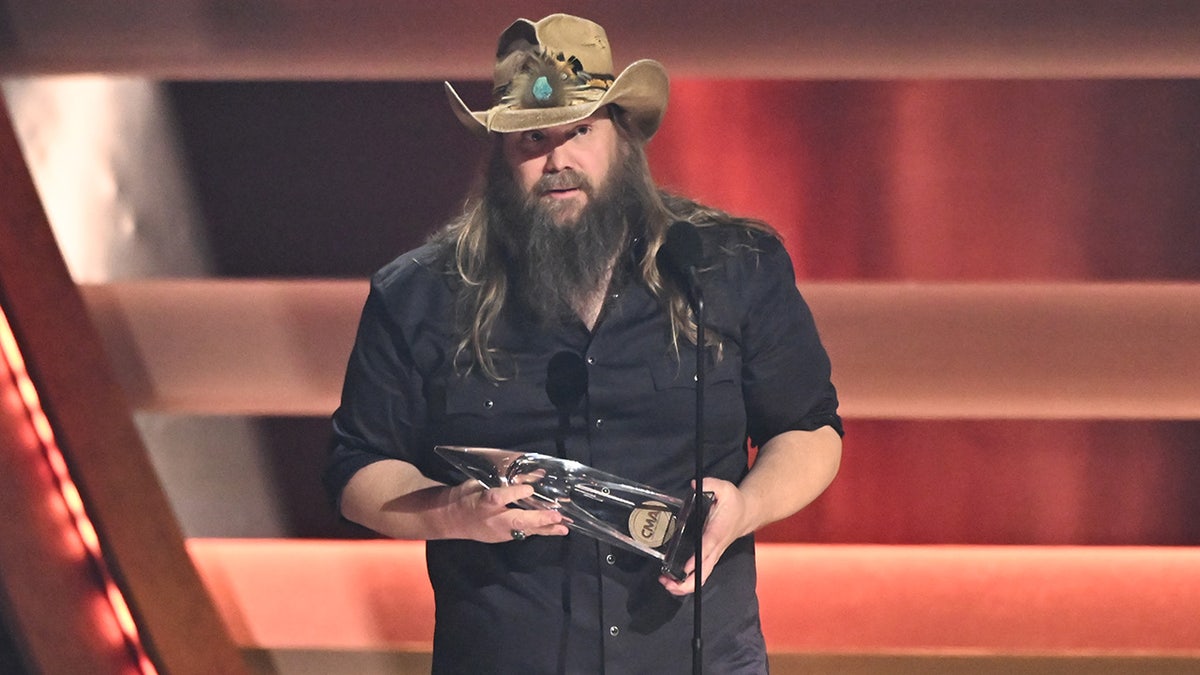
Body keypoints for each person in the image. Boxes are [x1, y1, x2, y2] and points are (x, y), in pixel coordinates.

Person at [324, 13, 842, 674]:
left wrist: (744, 507)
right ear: (501, 155)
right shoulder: (420, 294)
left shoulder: (729, 265)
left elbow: (811, 430)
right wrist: (452, 510)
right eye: (533, 139)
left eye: (580, 131)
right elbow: (355, 468)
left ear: (623, 138)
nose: (557, 159)